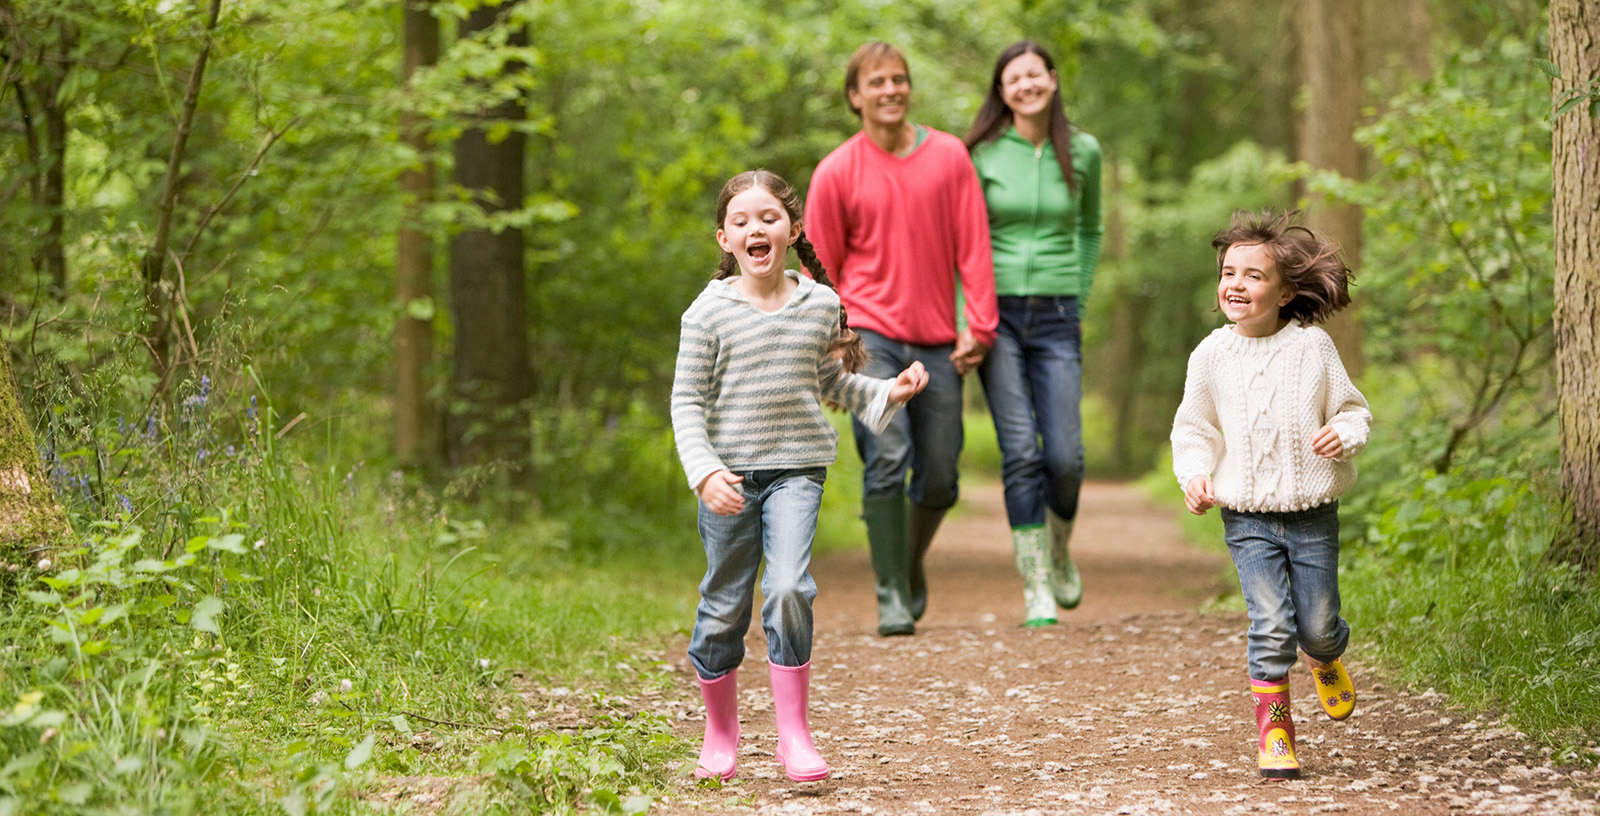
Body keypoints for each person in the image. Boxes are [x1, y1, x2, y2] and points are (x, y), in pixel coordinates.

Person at [672, 169, 930, 783]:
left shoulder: (819, 304)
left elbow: (829, 382)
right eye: (741, 221)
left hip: (797, 470)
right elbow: (686, 400)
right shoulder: (706, 313)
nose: (755, 228)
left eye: (768, 217)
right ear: (724, 239)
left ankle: (793, 734)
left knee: (788, 588)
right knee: (723, 608)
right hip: (729, 479)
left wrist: (887, 392)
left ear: (790, 230)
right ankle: (720, 731)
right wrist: (704, 472)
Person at [805, 41, 999, 637]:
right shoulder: (837, 170)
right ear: (855, 97)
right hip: (870, 339)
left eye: (899, 79)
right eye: (877, 82)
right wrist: (834, 347)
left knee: (940, 473)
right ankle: (890, 591)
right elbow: (819, 270)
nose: (891, 89)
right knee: (888, 457)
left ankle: (906, 563)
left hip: (939, 339)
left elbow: (974, 244)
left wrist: (980, 324)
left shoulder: (948, 157)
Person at [1170, 209, 1370, 779]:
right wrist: (1196, 475)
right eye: (1228, 272)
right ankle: (1275, 729)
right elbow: (1194, 429)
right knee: (1271, 622)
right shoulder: (1210, 356)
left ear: (1285, 293)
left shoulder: (1312, 348)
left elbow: (1354, 410)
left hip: (1312, 514)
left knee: (1317, 626)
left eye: (1253, 275)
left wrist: (1344, 435)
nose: (1236, 283)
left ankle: (1326, 657)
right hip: (1247, 515)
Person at [963, 41, 1103, 627]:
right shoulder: (983, 155)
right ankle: (1036, 586)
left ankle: (1059, 547)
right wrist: (967, 316)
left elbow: (1091, 229)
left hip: (1057, 315)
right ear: (1001, 91)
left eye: (1034, 74)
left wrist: (1079, 293)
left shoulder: (1086, 151)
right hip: (996, 317)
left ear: (1051, 79)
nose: (1025, 85)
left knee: (1065, 456)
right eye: (1012, 78)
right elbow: (964, 240)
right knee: (1020, 451)